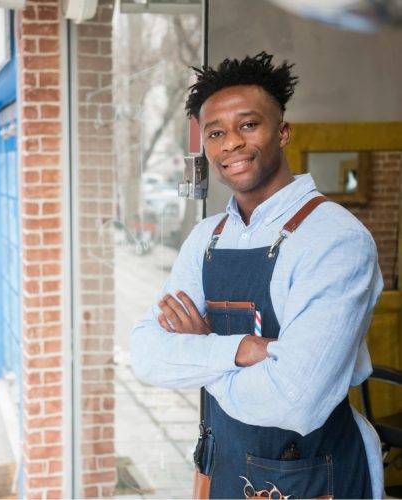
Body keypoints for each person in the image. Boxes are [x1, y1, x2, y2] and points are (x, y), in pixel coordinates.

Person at [130, 52, 384, 499]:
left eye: (248, 125)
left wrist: (199, 352)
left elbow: (296, 400)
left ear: (282, 132)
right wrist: (244, 349)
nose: (230, 143)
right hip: (222, 462)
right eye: (215, 133)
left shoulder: (334, 238)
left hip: (311, 474)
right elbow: (147, 354)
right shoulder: (206, 237)